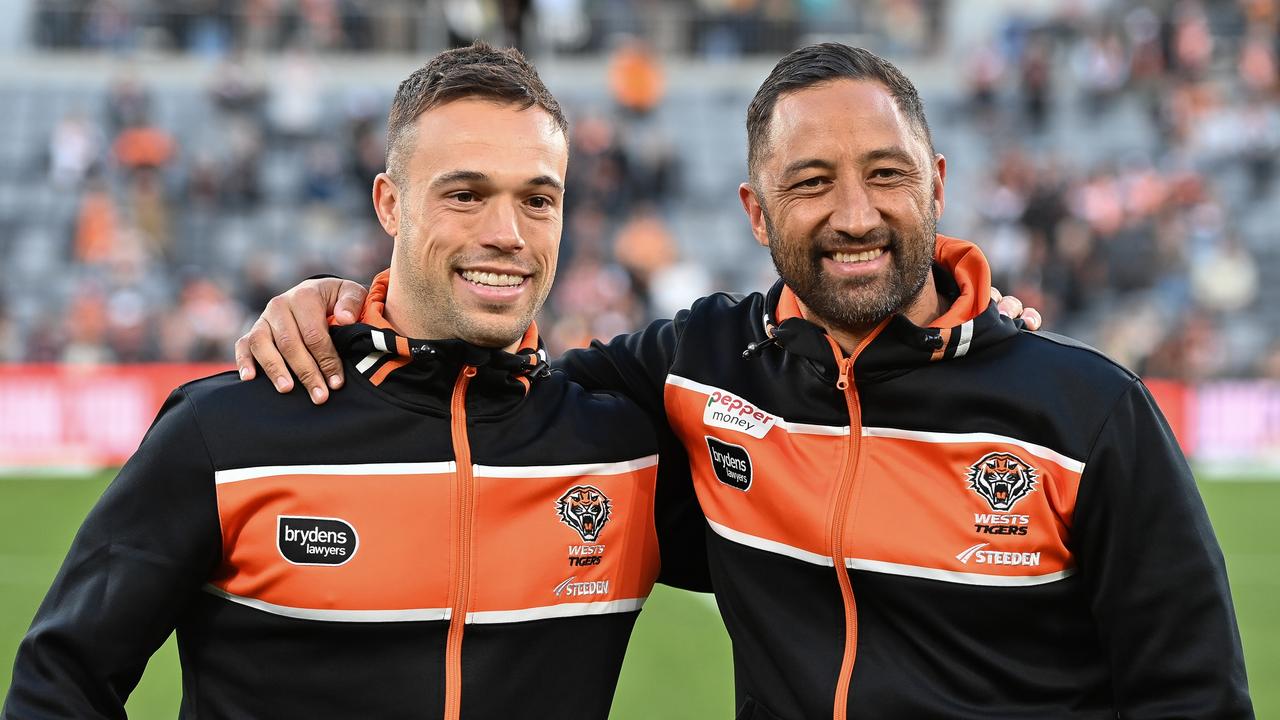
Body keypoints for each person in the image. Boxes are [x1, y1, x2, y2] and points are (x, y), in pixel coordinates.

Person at [243, 44, 1254, 718]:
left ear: (937, 183)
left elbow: (1191, 695)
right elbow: (486, 388)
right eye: (809, 183)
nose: (854, 213)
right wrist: (343, 307)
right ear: (754, 212)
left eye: (885, 173)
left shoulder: (1086, 414)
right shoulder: (693, 369)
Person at [4, 44, 704, 719]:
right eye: (465, 194)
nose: (508, 233)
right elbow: (59, 682)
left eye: (538, 200)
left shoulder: (624, 449)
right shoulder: (226, 433)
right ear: (390, 204)